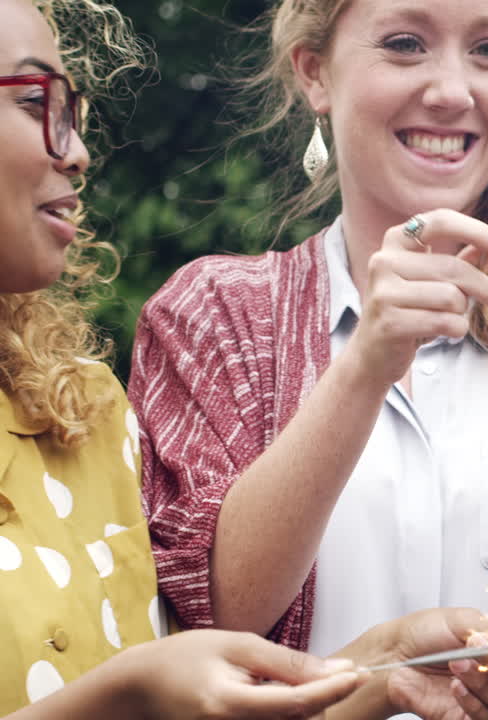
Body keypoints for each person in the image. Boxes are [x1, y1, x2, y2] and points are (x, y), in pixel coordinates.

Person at [128, 0, 488, 718]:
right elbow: (220, 616)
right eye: (406, 44)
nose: (451, 90)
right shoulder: (216, 319)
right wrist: (365, 366)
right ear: (315, 73)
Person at [0, 0, 365, 715]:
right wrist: (126, 692)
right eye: (35, 100)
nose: (74, 150)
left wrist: (382, 670)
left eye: (72, 109)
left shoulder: (89, 416)